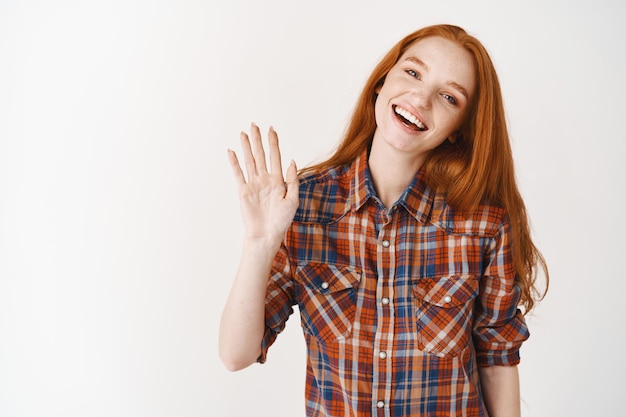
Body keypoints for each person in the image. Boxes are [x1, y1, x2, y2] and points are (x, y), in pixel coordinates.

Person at [219, 24, 548, 417]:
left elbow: (496, 359)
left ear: (459, 131)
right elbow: (236, 355)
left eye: (448, 97)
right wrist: (260, 241)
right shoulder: (302, 207)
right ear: (381, 82)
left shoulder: (484, 223)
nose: (421, 98)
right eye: (413, 72)